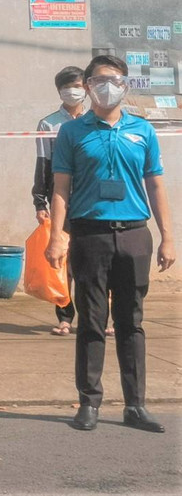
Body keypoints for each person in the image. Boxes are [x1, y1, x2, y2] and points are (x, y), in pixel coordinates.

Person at [46, 54, 174, 434]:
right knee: (91, 321)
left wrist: (168, 236)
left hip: (135, 234)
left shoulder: (142, 130)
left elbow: (155, 184)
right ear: (87, 86)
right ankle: (89, 402)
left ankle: (135, 404)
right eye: (100, 80)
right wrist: (57, 234)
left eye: (115, 79)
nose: (108, 86)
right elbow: (61, 187)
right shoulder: (72, 132)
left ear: (125, 84)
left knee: (131, 322)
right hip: (90, 234)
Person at [32, 66, 86, 337]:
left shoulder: (95, 120)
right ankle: (65, 316)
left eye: (76, 85)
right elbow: (43, 164)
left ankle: (100, 316)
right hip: (61, 200)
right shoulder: (49, 124)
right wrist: (40, 203)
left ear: (87, 87)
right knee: (61, 261)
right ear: (59, 91)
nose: (72, 91)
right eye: (66, 87)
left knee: (92, 261)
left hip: (91, 200)